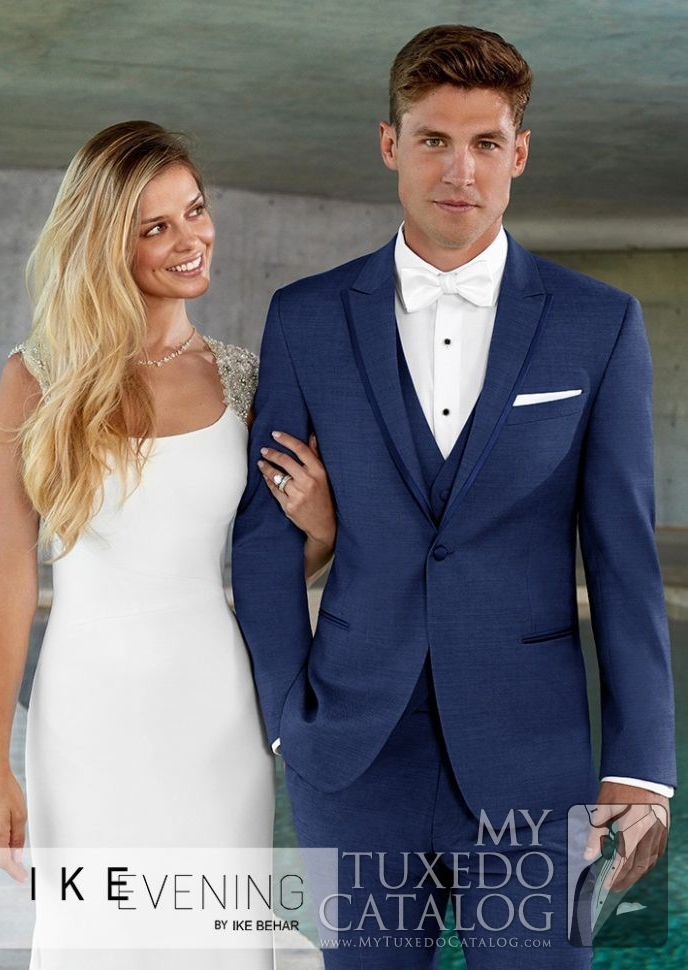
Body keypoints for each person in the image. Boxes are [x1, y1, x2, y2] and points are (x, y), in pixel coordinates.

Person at [232, 24, 676, 968]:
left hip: (534, 765)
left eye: (485, 143)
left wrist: (641, 768)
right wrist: (285, 723)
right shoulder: (307, 318)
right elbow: (265, 536)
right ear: (390, 144)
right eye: (433, 139)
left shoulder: (598, 324)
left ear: (520, 153)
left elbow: (624, 557)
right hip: (351, 758)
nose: (459, 170)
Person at [0, 121, 337, 968]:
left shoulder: (246, 379)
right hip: (84, 717)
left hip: (217, 713)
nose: (191, 239)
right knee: (92, 940)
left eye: (195, 211)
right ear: (107, 242)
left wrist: (324, 529)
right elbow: (7, 575)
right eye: (156, 227)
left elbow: (272, 570)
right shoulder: (36, 378)